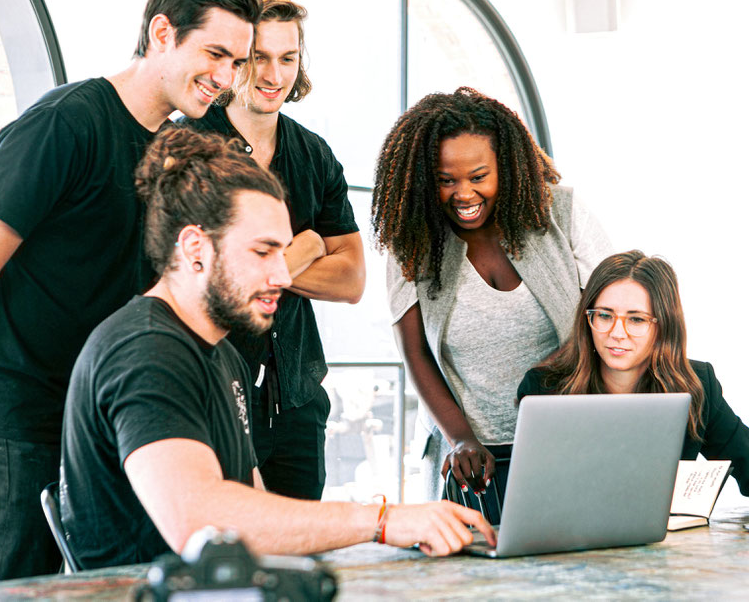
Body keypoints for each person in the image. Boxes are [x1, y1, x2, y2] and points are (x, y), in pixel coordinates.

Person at [58, 127, 494, 569]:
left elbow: (257, 513)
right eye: (263, 252)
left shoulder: (222, 354)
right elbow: (201, 522)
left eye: (282, 253)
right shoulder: (145, 351)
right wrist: (381, 521)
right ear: (195, 248)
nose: (284, 277)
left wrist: (390, 536)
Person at [0, 0, 260, 582]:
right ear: (161, 33)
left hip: (115, 423)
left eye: (238, 62)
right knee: (11, 588)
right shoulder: (64, 124)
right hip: (24, 418)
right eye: (215, 54)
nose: (228, 78)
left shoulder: (185, 146)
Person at [371, 87, 612, 501]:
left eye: (479, 177)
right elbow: (416, 354)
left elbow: (608, 318)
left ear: (508, 166)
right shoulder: (411, 240)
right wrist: (461, 439)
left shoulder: (562, 213)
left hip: (566, 438)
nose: (463, 194)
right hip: (469, 457)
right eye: (446, 180)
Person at [182, 0, 365, 500]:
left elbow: (352, 279)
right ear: (235, 59)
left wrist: (261, 263)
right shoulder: (189, 146)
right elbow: (202, 278)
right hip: (212, 395)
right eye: (258, 57)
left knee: (299, 563)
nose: (273, 75)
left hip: (298, 401)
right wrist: (306, 246)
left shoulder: (315, 155)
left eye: (288, 58)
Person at [517, 250, 749, 519]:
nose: (617, 333)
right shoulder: (545, 388)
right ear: (587, 319)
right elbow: (530, 495)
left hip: (661, 552)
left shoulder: (696, 385)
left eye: (636, 319)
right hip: (566, 547)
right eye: (604, 315)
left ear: (663, 325)